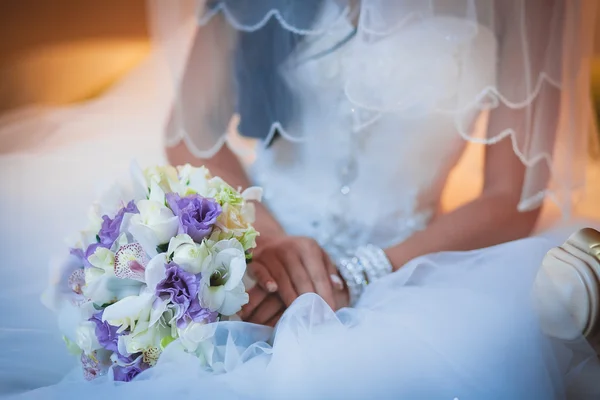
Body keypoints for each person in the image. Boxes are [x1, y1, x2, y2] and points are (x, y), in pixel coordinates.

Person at [3, 0, 600, 398]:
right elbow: (192, 130)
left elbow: (512, 196)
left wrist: (360, 273)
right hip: (258, 241)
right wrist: (263, 242)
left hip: (410, 267)